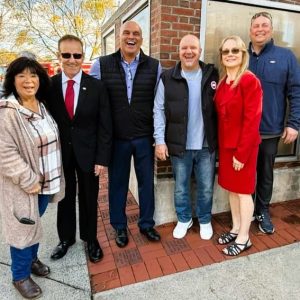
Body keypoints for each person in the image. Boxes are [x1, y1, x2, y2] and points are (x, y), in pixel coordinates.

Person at [89, 20, 161, 247]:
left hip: (143, 137)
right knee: (117, 184)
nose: (131, 37)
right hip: (117, 139)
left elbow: (160, 105)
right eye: (127, 33)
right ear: (119, 37)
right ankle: (119, 227)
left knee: (146, 183)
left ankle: (147, 224)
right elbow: (92, 104)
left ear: (142, 38)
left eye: (136, 34)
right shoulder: (101, 65)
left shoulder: (154, 66)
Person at [0, 57, 64, 299]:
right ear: (12, 80)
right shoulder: (8, 112)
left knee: (34, 224)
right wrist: (29, 180)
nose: (29, 81)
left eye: (34, 75)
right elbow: (5, 154)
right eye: (22, 76)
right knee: (22, 230)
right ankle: (20, 276)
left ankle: (32, 260)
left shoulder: (41, 105)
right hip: (25, 187)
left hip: (46, 184)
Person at [48, 35, 112, 262]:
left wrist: (102, 159)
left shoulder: (97, 87)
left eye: (77, 55)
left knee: (89, 197)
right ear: (59, 56)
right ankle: (66, 238)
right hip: (60, 156)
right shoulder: (50, 86)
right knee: (64, 197)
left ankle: (90, 238)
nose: (72, 60)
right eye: (66, 55)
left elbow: (105, 126)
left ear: (83, 56)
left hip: (89, 154)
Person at [153, 34, 218, 240]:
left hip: (206, 145)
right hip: (179, 145)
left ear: (199, 51)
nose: (188, 52)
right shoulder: (167, 77)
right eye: (184, 48)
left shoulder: (212, 74)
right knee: (181, 187)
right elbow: (158, 109)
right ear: (179, 51)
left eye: (193, 48)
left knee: (206, 187)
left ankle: (205, 219)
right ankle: (184, 219)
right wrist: (160, 140)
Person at [249, 12, 300, 234]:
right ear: (250, 30)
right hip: (244, 133)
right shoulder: (242, 55)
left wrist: (294, 123)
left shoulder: (286, 57)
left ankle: (262, 211)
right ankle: (245, 210)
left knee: (265, 173)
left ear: (271, 29)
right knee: (244, 173)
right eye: (256, 26)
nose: (260, 29)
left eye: (265, 25)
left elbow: (296, 92)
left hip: (269, 131)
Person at [215, 36, 263, 256]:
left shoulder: (249, 80)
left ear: (243, 53)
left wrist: (242, 154)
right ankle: (235, 229)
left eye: (235, 50)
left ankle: (244, 238)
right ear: (222, 56)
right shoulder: (224, 81)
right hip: (226, 147)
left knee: (243, 192)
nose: (230, 54)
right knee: (232, 190)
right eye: (226, 51)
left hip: (243, 148)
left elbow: (252, 120)